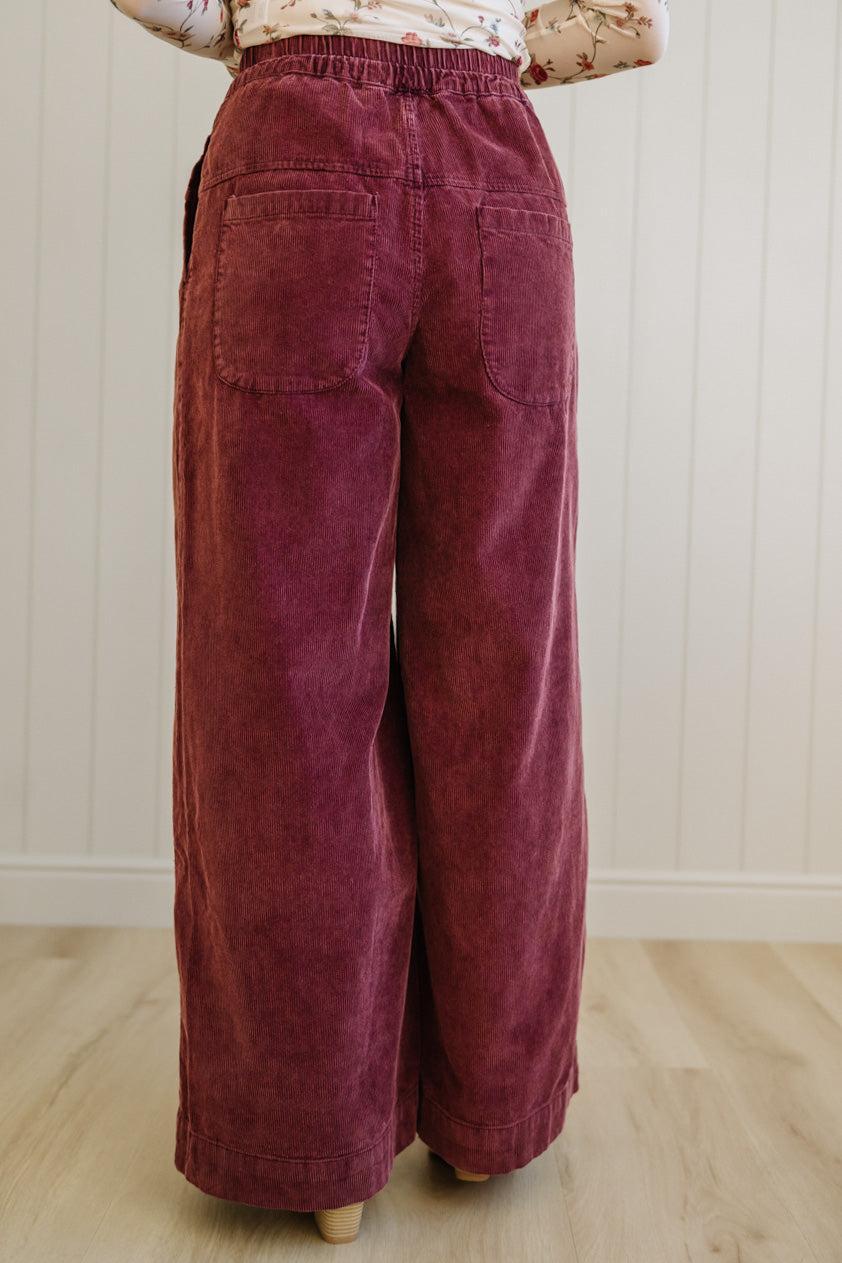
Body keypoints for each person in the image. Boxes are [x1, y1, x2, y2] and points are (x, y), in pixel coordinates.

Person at [110, 0, 668, 1245]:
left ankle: (316, 1148)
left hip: (294, 159)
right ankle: (490, 1115)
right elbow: (637, 28)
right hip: (497, 175)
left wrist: (254, 34)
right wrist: (478, 49)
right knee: (504, 678)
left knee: (284, 671)